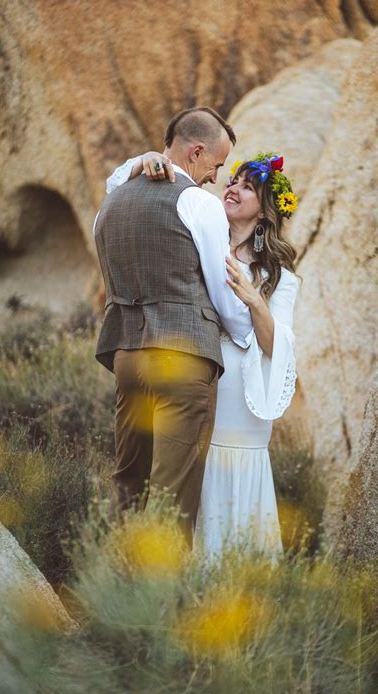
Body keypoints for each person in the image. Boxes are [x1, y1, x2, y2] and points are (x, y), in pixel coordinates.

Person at [107, 147, 299, 556]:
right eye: (232, 180)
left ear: (264, 211)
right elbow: (128, 191)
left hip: (241, 408)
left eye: (247, 188)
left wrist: (254, 300)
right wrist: (142, 160)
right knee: (187, 481)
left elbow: (275, 346)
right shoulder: (200, 237)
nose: (232, 188)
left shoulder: (279, 277)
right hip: (196, 385)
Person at [94, 107, 255, 543]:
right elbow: (224, 291)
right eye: (216, 165)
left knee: (129, 486)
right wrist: (245, 333)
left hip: (127, 356)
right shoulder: (198, 204)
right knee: (172, 501)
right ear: (196, 151)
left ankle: (115, 597)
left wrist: (137, 162)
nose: (214, 178)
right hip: (183, 362)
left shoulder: (112, 200)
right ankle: (160, 609)